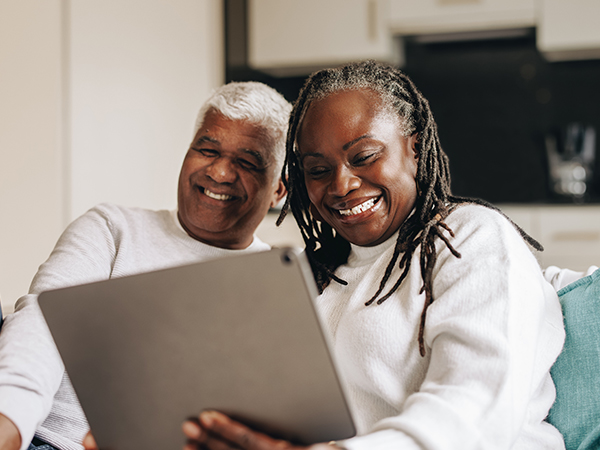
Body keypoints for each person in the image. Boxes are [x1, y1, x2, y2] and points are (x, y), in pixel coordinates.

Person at [182, 61, 566, 449]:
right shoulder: (313, 274)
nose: (342, 184)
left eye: (363, 157)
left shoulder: (470, 236)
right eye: (317, 169)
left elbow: (477, 409)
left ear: (414, 148)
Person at [0, 81, 292, 450]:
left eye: (247, 163)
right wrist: (10, 422)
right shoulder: (112, 228)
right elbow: (43, 324)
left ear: (279, 190)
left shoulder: (279, 283)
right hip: (37, 438)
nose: (219, 173)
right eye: (207, 150)